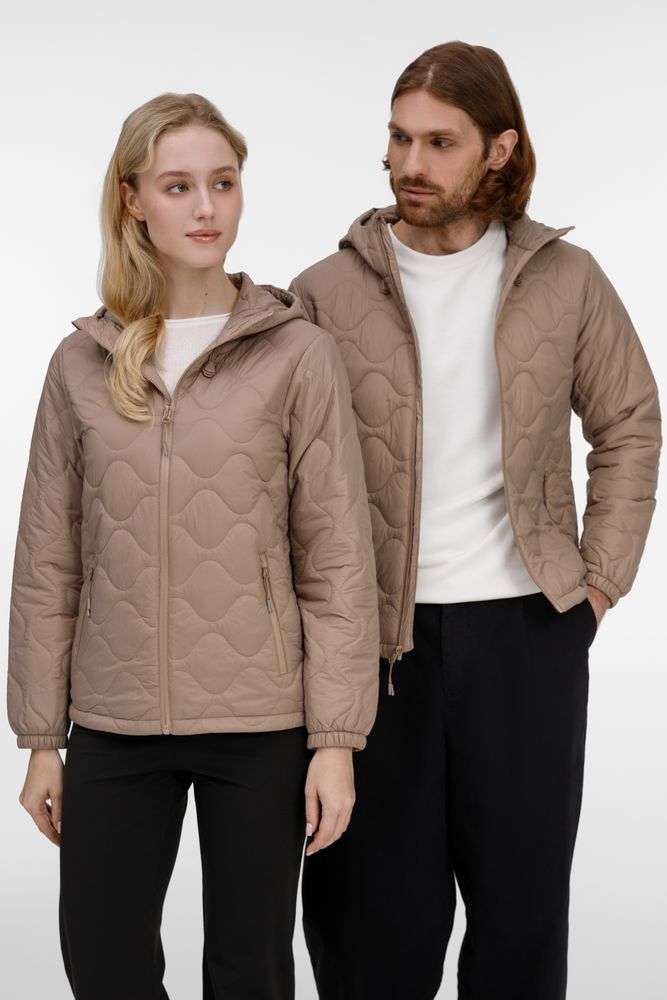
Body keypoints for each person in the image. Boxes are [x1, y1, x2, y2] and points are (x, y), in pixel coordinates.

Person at [289, 41, 662, 1000]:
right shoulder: (323, 293)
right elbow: (279, 476)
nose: (408, 163)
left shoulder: (567, 280)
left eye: (439, 142)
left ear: (499, 149)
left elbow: (628, 422)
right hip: (372, 648)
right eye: (398, 138)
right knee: (368, 927)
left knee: (520, 921)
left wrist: (597, 586)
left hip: (527, 634)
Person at [6, 92, 380, 1000]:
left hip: (259, 719)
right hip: (113, 718)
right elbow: (47, 561)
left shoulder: (295, 354)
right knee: (104, 962)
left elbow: (335, 559)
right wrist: (41, 738)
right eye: (178, 187)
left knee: (250, 968)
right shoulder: (81, 362)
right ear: (133, 199)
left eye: (223, 182)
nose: (206, 208)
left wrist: (336, 741)